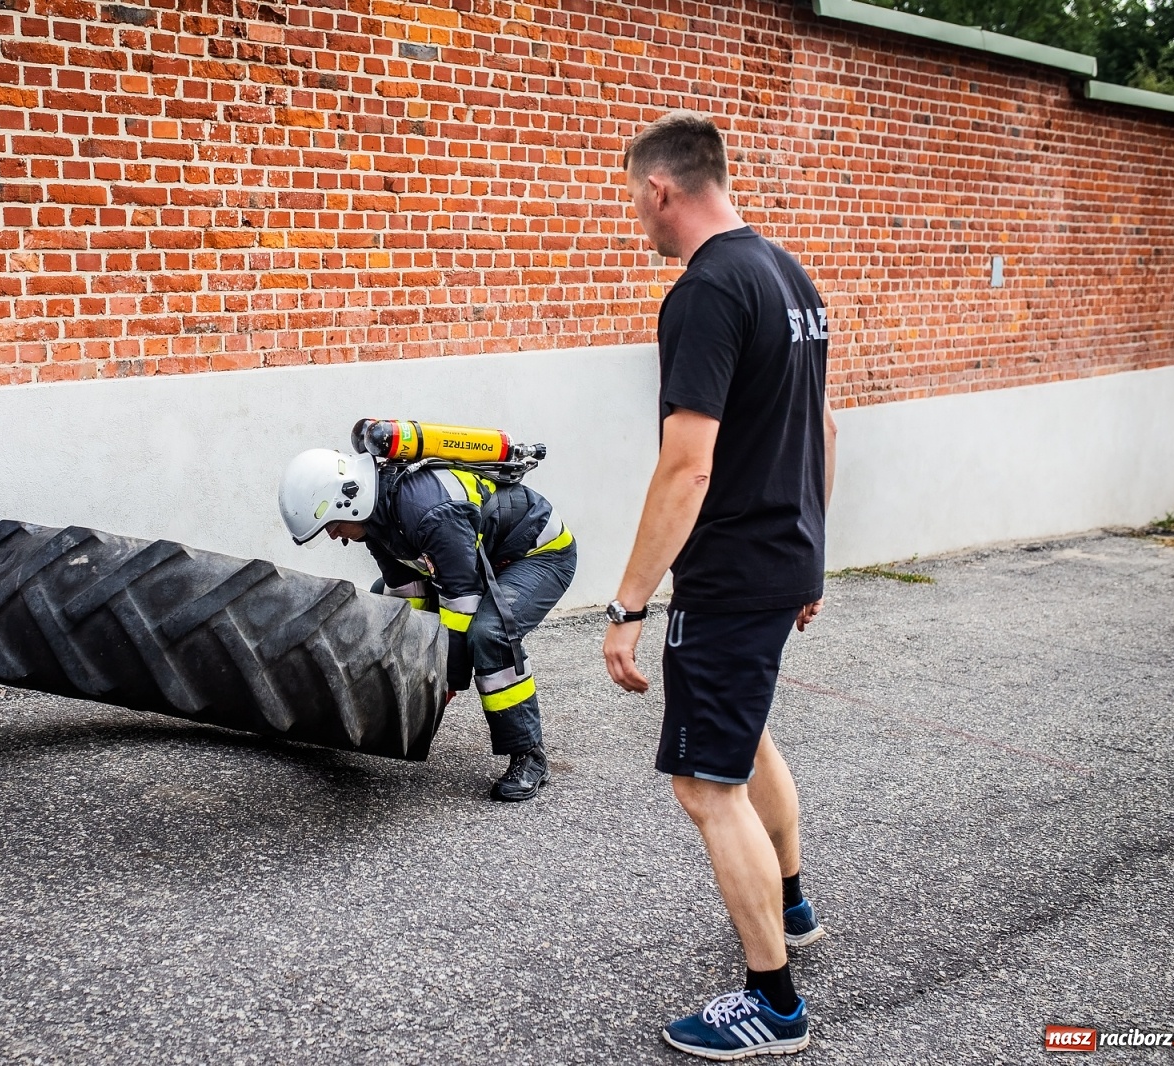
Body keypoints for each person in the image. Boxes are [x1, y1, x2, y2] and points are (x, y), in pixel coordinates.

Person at [602, 110, 838, 1059]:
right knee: (747, 736)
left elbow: (686, 467)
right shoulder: (790, 274)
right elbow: (825, 429)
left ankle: (773, 1002)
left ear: (662, 189)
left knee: (706, 784)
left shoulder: (704, 292)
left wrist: (627, 604)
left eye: (633, 198)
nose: (635, 217)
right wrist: (813, 552)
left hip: (734, 569)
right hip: (782, 555)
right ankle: (792, 904)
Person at [279, 446, 576, 801]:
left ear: (348, 502)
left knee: (489, 633)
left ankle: (529, 754)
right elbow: (410, 590)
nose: (333, 535)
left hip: (537, 555)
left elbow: (461, 603)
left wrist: (445, 680)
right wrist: (413, 668)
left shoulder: (430, 512)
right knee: (385, 600)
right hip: (481, 560)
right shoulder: (374, 520)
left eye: (331, 525)